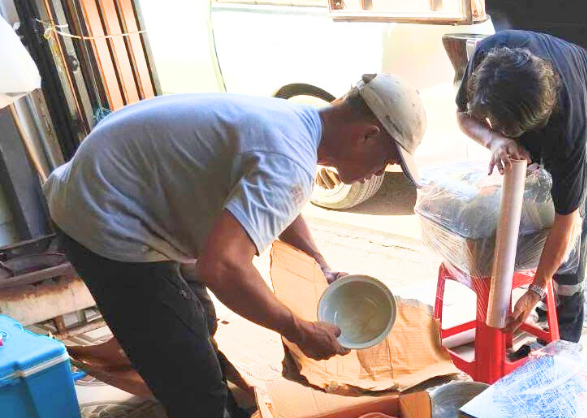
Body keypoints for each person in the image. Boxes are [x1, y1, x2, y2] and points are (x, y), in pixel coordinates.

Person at [44, 74, 426, 418]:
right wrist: (301, 331)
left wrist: (319, 263)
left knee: (200, 322)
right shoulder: (289, 160)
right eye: (388, 161)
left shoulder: (294, 121)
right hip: (103, 220)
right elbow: (222, 268)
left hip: (121, 192)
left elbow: (278, 203)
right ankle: (176, 379)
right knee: (196, 387)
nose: (379, 172)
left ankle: (154, 356)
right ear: (367, 135)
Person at [456, 30, 587, 343]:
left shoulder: (568, 130)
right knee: (528, 185)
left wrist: (535, 289)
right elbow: (462, 114)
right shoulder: (486, 62)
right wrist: (495, 140)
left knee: (570, 204)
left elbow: (566, 219)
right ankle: (541, 282)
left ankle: (566, 310)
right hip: (531, 98)